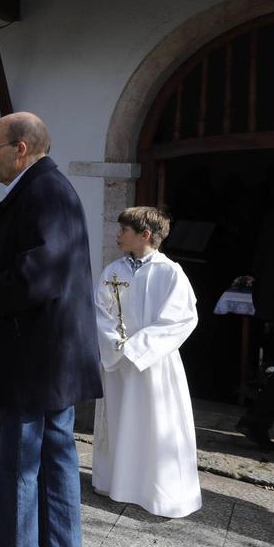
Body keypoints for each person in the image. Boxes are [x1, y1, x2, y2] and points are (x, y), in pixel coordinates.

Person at [0, 112, 102, 547]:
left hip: (35, 357)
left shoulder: (46, 191)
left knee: (21, 464)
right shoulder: (41, 187)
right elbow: (31, 248)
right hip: (48, 357)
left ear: (20, 149)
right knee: (55, 463)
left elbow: (42, 274)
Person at [92, 206, 201, 518]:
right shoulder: (113, 271)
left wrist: (137, 347)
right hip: (118, 363)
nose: (118, 234)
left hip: (154, 363)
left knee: (155, 423)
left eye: (124, 230)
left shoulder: (170, 273)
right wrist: (114, 343)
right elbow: (101, 311)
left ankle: (155, 489)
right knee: (120, 420)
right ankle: (116, 482)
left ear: (146, 235)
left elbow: (181, 318)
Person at [236, 194, 274, 452]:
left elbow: (258, 262)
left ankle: (257, 420)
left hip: (272, 303)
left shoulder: (273, 217)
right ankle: (256, 420)